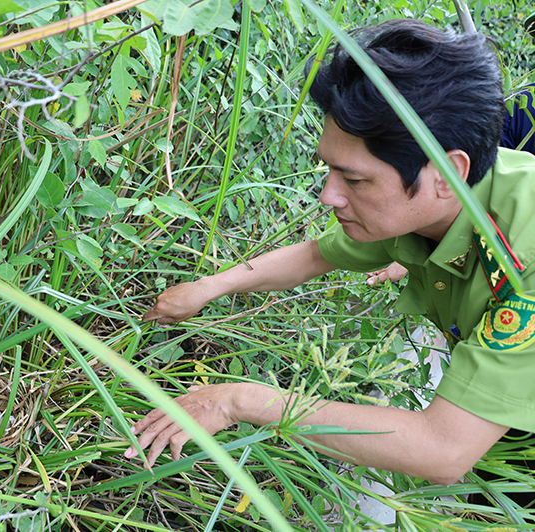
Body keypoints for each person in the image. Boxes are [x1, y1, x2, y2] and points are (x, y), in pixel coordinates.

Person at [125, 19, 535, 491]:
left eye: (354, 180)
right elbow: (319, 255)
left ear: (446, 172)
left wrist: (239, 400)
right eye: (329, 171)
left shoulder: (522, 258)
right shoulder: (434, 204)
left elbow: (443, 449)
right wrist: (209, 287)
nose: (328, 196)